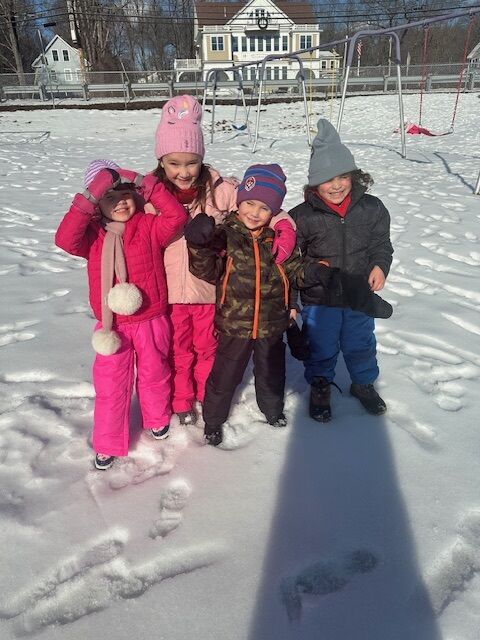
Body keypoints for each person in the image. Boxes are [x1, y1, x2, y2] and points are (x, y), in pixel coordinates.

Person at [149, 95, 297, 427]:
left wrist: (284, 226)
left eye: (191, 163)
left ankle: (206, 395)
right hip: (169, 293)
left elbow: (260, 206)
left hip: (210, 292)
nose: (184, 172)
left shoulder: (220, 190)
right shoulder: (151, 196)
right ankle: (182, 399)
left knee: (207, 349)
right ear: (161, 162)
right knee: (177, 350)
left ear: (201, 159)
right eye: (174, 163)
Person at [55, 161, 188, 469]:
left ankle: (156, 418)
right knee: (111, 386)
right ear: (97, 204)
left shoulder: (149, 225)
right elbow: (64, 240)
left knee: (155, 373)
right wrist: (89, 195)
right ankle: (108, 441)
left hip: (152, 317)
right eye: (110, 197)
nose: (121, 202)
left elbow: (176, 216)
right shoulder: (90, 236)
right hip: (112, 326)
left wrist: (145, 182)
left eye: (126, 194)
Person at [185, 164, 303, 447]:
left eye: (264, 208)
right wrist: (199, 245)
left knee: (271, 371)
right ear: (239, 202)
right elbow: (206, 270)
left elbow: (294, 271)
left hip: (271, 322)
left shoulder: (279, 239)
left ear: (274, 212)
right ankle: (213, 420)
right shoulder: (226, 234)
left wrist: (299, 295)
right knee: (225, 374)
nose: (255, 212)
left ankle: (272, 411)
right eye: (249, 203)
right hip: (234, 323)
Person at [289, 118, 394, 422]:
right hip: (320, 300)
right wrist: (299, 292)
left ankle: (363, 384)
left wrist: (379, 265)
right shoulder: (301, 217)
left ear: (353, 175)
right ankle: (321, 385)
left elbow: (381, 244)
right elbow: (290, 261)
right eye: (326, 179)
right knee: (320, 346)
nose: (335, 185)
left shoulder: (371, 208)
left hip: (358, 294)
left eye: (342, 176)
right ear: (313, 184)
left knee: (360, 343)